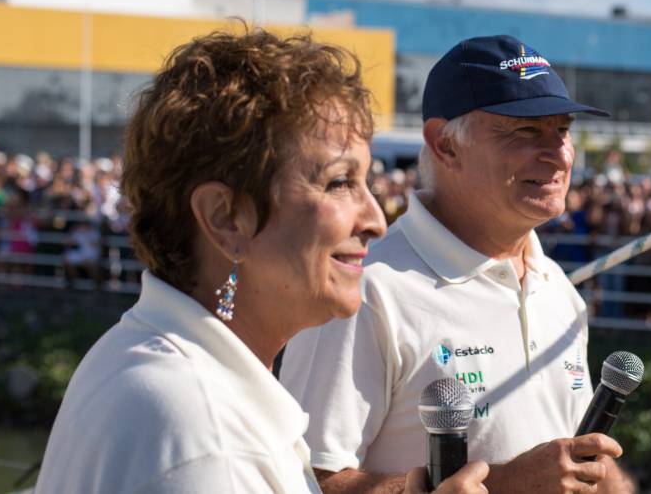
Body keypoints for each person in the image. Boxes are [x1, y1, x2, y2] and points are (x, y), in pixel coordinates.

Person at [35, 29, 488, 494]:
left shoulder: (139, 355)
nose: (375, 219)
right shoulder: (209, 439)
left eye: (367, 181)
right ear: (225, 217)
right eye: (339, 183)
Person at [281, 35, 632, 493]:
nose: (558, 153)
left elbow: (567, 469)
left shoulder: (557, 289)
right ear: (444, 144)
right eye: (526, 131)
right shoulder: (364, 287)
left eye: (561, 130)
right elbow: (303, 482)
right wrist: (505, 485)